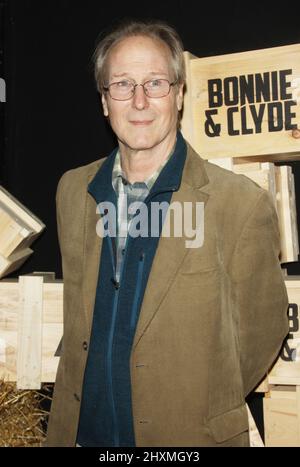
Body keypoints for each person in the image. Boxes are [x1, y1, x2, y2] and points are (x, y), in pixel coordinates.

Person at [45, 19, 289, 447]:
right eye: (121, 84)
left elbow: (262, 332)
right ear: (105, 101)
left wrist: (196, 403)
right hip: (81, 435)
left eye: (155, 83)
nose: (139, 101)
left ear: (178, 95)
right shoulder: (73, 191)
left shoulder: (238, 203)